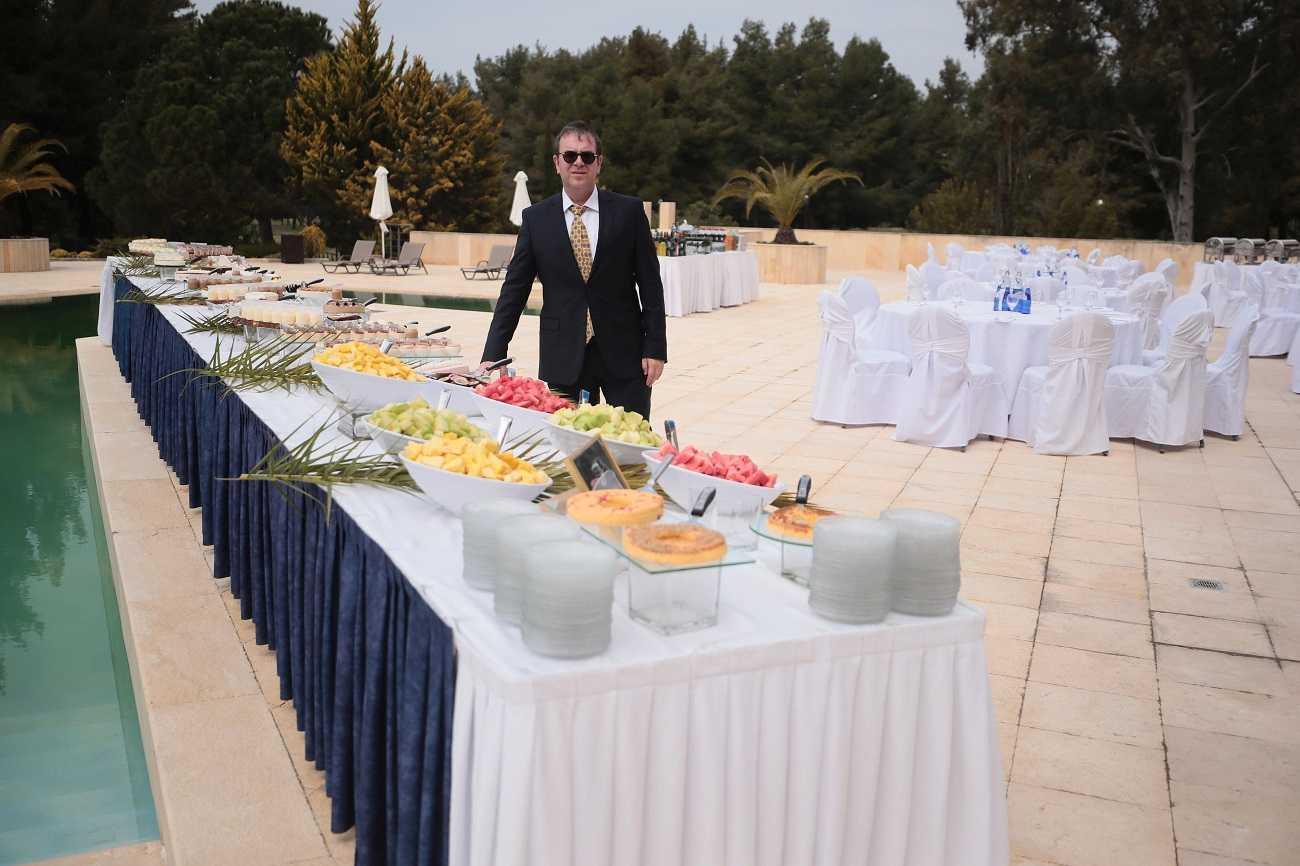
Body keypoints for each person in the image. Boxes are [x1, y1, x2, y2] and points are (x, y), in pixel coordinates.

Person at [481, 120, 666, 419]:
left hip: (626, 354)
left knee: (631, 439)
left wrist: (655, 348)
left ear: (598, 163)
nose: (578, 162)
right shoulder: (535, 220)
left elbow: (651, 285)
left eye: (587, 156)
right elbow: (514, 291)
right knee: (569, 439)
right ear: (557, 163)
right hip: (563, 356)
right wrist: (494, 352)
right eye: (570, 156)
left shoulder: (629, 213)